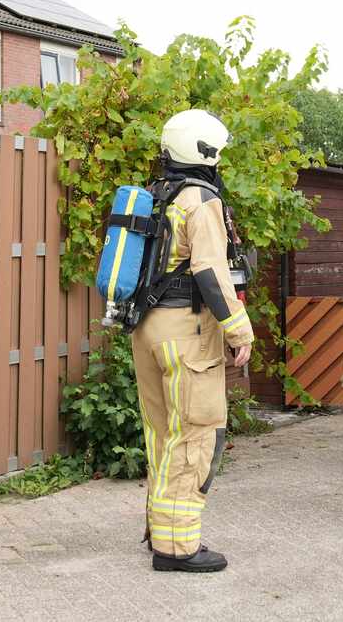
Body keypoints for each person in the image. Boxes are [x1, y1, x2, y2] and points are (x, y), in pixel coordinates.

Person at [131, 109, 253, 573]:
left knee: (162, 434)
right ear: (207, 149)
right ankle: (178, 547)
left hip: (147, 329)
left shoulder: (157, 195)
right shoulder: (200, 199)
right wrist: (238, 328)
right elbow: (209, 270)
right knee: (197, 433)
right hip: (187, 332)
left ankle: (159, 528)